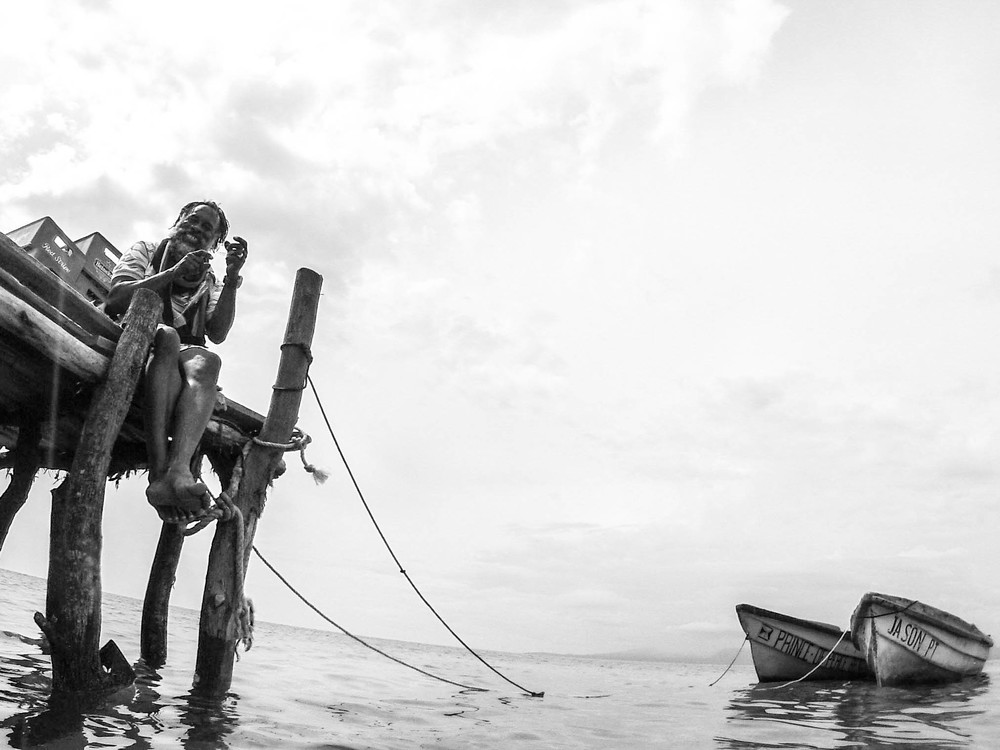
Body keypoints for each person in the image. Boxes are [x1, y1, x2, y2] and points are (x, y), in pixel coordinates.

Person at [105, 201, 248, 524]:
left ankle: (179, 469)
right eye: (193, 220)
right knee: (167, 337)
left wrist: (233, 277)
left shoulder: (210, 280)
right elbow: (116, 299)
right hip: (137, 334)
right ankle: (159, 474)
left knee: (209, 360)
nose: (197, 229)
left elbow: (218, 331)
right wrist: (172, 272)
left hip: (184, 352)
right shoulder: (147, 249)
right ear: (179, 220)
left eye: (207, 229)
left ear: (214, 244)